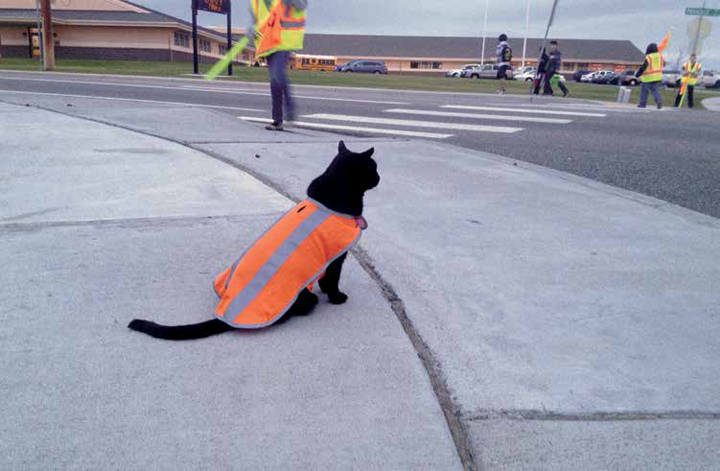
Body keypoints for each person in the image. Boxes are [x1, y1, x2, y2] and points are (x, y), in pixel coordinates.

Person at [247, 0, 308, 131]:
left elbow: (302, 5)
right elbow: (256, 21)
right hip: (268, 44)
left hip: (284, 41)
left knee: (277, 75)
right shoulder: (255, 2)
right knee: (274, 82)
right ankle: (277, 121)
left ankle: (290, 108)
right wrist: (251, 30)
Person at [635, 43, 664, 109]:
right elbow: (663, 64)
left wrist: (637, 74)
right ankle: (658, 100)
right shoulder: (660, 56)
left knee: (644, 91)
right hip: (657, 77)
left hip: (648, 78)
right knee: (655, 91)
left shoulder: (649, 57)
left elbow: (643, 67)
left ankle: (642, 104)